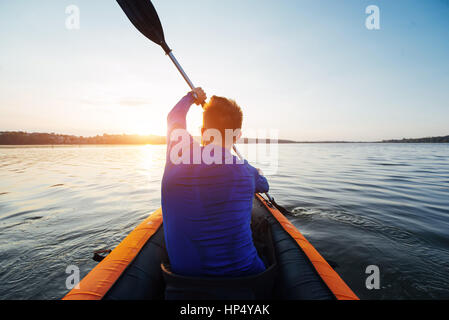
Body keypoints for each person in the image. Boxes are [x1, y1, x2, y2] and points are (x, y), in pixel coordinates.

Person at [161, 87, 269, 277]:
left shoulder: (178, 155)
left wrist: (193, 97)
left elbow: (173, 118)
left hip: (185, 284)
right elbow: (264, 186)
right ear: (237, 137)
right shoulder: (247, 171)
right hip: (249, 281)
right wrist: (253, 170)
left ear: (203, 132)